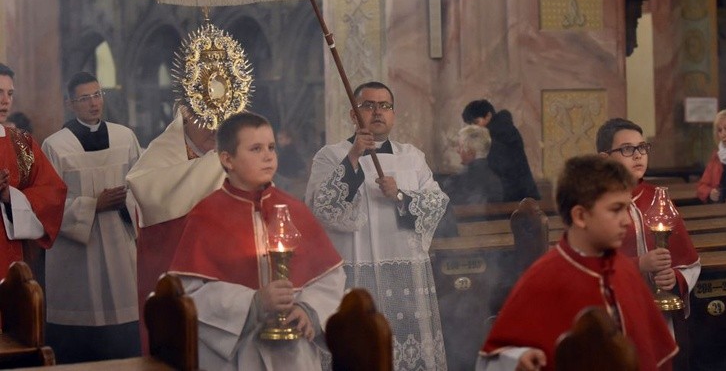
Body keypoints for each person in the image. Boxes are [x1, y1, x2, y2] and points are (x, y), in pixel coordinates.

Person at [169, 112, 345, 370]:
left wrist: (309, 310)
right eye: (256, 149)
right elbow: (190, 294)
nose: (268, 156)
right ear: (227, 159)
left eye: (271, 147)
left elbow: (331, 278)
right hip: (238, 353)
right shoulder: (206, 215)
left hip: (294, 352)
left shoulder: (294, 209)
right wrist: (253, 303)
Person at [477, 155, 677, 371]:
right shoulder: (543, 279)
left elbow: (653, 356)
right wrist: (518, 358)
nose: (626, 220)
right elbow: (495, 356)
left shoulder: (624, 270)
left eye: (626, 209)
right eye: (616, 209)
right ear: (580, 216)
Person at [305, 81, 449, 370]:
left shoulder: (412, 156)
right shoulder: (331, 155)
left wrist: (399, 195)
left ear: (394, 114)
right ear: (352, 114)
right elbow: (321, 208)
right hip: (356, 271)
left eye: (385, 105)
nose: (377, 111)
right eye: (368, 105)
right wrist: (354, 157)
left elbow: (437, 203)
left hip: (405, 274)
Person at [126, 25, 253, 351]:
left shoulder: (236, 150)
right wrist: (216, 163)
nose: (214, 127)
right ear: (186, 111)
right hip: (180, 283)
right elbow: (151, 194)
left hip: (234, 283)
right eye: (204, 117)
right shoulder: (162, 153)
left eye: (223, 116)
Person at [41, 72, 142, 363]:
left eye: (97, 95)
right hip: (77, 257)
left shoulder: (125, 137)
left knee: (124, 337)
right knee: (80, 345)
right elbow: (47, 203)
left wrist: (127, 200)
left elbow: (140, 186)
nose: (94, 103)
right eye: (85, 98)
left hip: (120, 245)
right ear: (70, 103)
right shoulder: (56, 145)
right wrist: (91, 206)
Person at [596, 118, 700, 323]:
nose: (638, 155)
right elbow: (588, 267)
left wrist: (675, 277)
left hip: (659, 316)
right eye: (627, 149)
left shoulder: (658, 198)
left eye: (642, 148)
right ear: (604, 159)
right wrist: (638, 264)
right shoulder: (593, 203)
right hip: (613, 315)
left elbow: (688, 262)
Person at [0, 63, 66, 282]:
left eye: (10, 93)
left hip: (11, 256)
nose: (5, 100)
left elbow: (52, 193)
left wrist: (11, 197)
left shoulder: (21, 143)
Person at [462, 99, 540, 201]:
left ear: (488, 116)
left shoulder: (499, 133)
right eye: (471, 124)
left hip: (513, 195)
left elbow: (499, 166)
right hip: (521, 192)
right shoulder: (502, 129)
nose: (474, 127)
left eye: (476, 122)